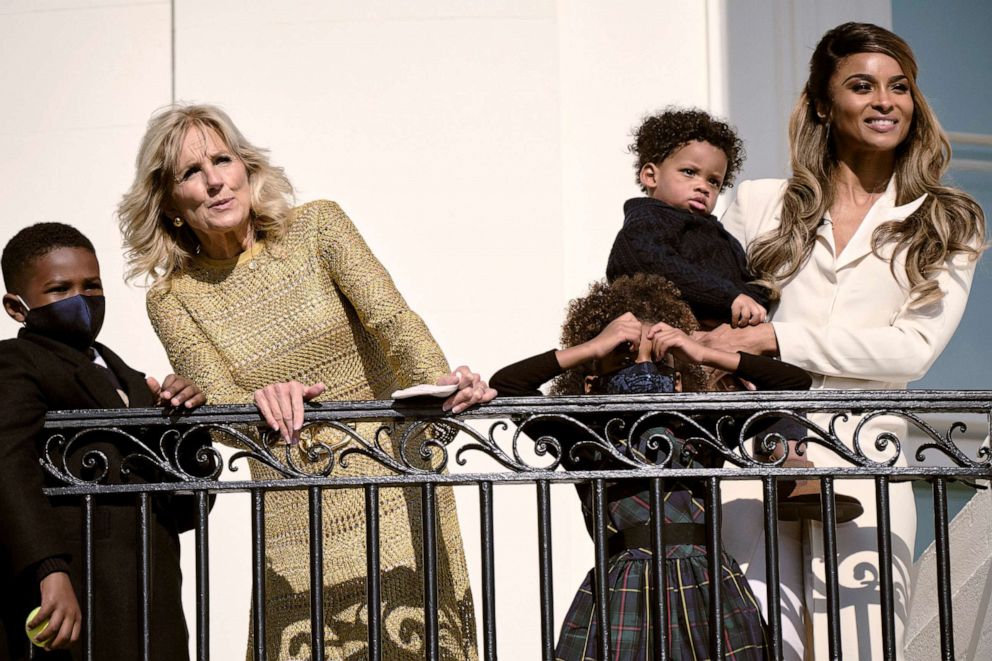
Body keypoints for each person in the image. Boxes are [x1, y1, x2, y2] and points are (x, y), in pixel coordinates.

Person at [117, 104, 494, 659]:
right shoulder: (172, 298)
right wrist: (257, 402)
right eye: (191, 172)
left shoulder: (318, 227)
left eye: (223, 160)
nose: (215, 180)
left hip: (392, 477)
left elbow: (392, 322)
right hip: (293, 511)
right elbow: (221, 413)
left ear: (248, 169)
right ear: (170, 202)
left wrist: (439, 386)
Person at [706, 22, 985, 660]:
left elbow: (910, 351)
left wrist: (777, 338)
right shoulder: (759, 204)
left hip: (868, 461)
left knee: (861, 648)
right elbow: (710, 317)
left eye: (900, 87)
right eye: (862, 86)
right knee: (752, 644)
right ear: (826, 106)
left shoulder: (946, 218)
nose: (885, 101)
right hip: (756, 459)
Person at [490, 273, 812, 660]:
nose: (640, 367)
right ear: (591, 384)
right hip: (623, 593)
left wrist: (701, 351)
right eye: (623, 354)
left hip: (710, 589)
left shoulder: (701, 428)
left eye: (656, 356)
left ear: (678, 381)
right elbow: (507, 386)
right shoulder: (585, 436)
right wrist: (591, 346)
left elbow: (793, 383)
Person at [0, 223, 207, 660]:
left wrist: (187, 422)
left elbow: (188, 505)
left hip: (155, 600)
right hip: (77, 594)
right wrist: (49, 570)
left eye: (91, 284)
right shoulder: (16, 363)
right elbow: (7, 465)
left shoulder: (131, 378)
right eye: (60, 289)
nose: (82, 298)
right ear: (17, 308)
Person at [606, 108, 769, 329]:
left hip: (717, 344)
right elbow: (650, 262)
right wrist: (728, 297)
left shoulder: (721, 236)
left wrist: (755, 298)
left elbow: (745, 280)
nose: (703, 186)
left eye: (714, 181)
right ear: (651, 176)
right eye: (689, 172)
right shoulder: (649, 219)